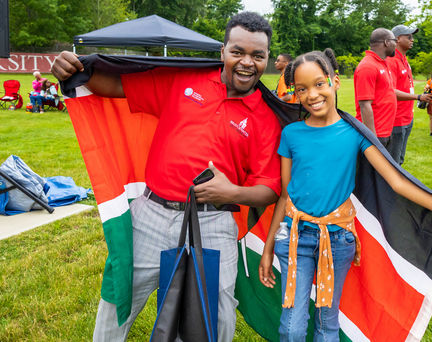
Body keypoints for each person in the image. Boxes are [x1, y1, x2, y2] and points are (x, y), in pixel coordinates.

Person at [51, 12, 281, 342]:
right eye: (238, 52)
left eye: (257, 56)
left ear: (266, 59)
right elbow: (118, 85)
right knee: (119, 295)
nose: (247, 62)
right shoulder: (185, 80)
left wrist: (230, 192)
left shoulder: (265, 117)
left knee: (217, 315)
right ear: (223, 52)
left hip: (214, 223)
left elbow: (269, 190)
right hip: (152, 214)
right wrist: (76, 71)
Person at [258, 48, 432, 342]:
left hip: (337, 239)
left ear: (334, 81)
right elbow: (284, 196)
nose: (312, 95)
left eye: (319, 83)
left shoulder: (352, 133)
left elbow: (398, 182)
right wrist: (268, 249)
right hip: (295, 238)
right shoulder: (292, 134)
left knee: (326, 321)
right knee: (292, 324)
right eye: (302, 89)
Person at [354, 28, 429, 151]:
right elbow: (364, 104)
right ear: (387, 42)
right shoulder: (368, 66)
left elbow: (387, 93)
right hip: (376, 134)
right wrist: (372, 139)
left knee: (388, 168)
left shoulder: (381, 63)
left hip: (386, 130)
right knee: (373, 170)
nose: (396, 44)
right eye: (394, 40)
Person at [385, 25, 419, 165]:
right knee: (393, 164)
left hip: (407, 118)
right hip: (396, 119)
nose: (412, 40)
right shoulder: (391, 61)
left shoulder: (404, 60)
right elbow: (390, 91)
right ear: (398, 39)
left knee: (399, 160)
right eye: (409, 37)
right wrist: (418, 97)